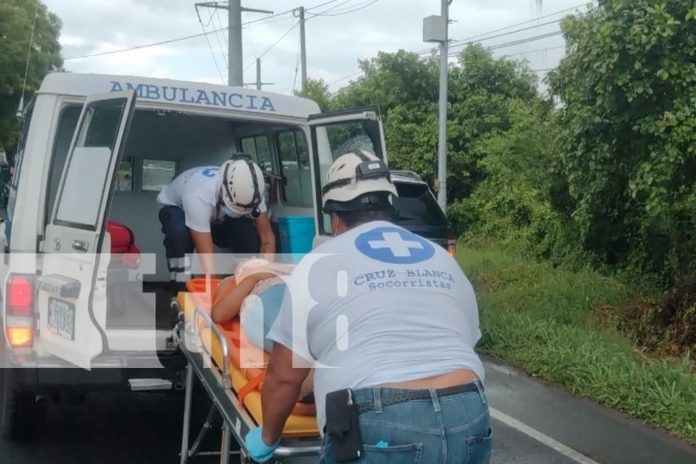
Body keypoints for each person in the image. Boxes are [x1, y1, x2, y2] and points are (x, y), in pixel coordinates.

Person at [242, 150, 490, 463]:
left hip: (378, 415)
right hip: (468, 409)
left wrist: (268, 437)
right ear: (391, 205)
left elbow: (283, 376)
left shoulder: (319, 263)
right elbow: (460, 343)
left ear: (334, 216)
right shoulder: (441, 258)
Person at [157, 155, 276, 283]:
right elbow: (205, 255)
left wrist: (264, 275)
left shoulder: (254, 191)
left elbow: (267, 236)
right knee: (180, 236)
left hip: (218, 212)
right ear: (222, 192)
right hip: (177, 208)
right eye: (235, 207)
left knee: (249, 236)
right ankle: (180, 286)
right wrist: (213, 290)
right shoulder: (198, 195)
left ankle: (242, 279)